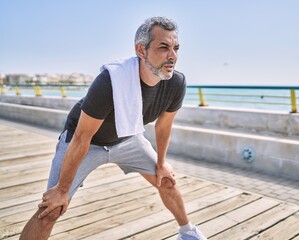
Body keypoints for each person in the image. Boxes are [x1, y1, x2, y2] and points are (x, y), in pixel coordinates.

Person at [20, 17, 207, 240]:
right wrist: (61, 191)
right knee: (51, 209)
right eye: (164, 47)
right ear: (141, 50)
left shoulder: (176, 83)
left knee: (165, 179)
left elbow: (164, 125)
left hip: (127, 138)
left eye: (176, 48)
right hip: (85, 143)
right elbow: (82, 137)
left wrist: (160, 163)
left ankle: (188, 233)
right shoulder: (110, 81)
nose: (173, 56)